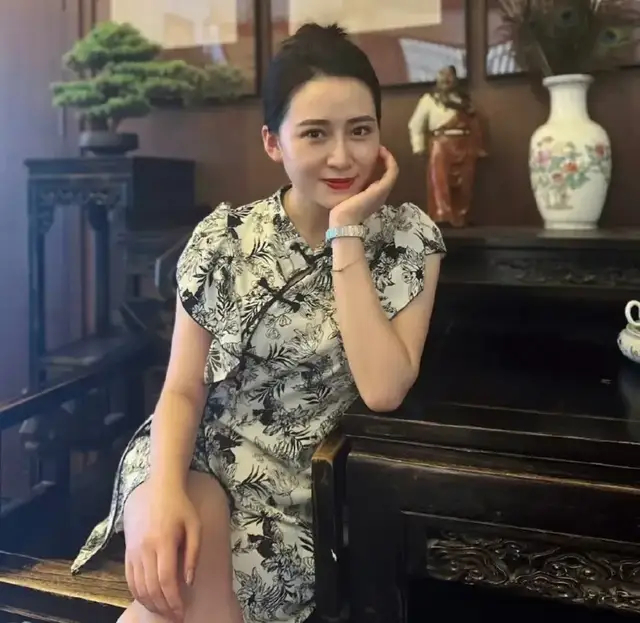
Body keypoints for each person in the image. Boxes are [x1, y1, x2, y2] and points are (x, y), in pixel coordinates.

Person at [71, 22, 446, 623]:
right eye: (315, 133)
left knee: (164, 607)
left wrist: (346, 230)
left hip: (293, 504)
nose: (343, 156)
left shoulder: (408, 239)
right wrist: (161, 493)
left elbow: (383, 388)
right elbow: (183, 388)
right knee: (183, 552)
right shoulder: (224, 238)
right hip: (185, 458)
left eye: (360, 130)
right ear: (273, 142)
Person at [408, 65, 487, 227]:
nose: (446, 79)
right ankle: (442, 217)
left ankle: (461, 216)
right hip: (441, 145)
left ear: (455, 79)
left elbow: (474, 124)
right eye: (442, 74)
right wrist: (419, 147)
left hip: (464, 145)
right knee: (440, 183)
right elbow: (415, 125)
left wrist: (478, 146)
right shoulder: (429, 100)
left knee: (465, 183)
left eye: (450, 75)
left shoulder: (464, 100)